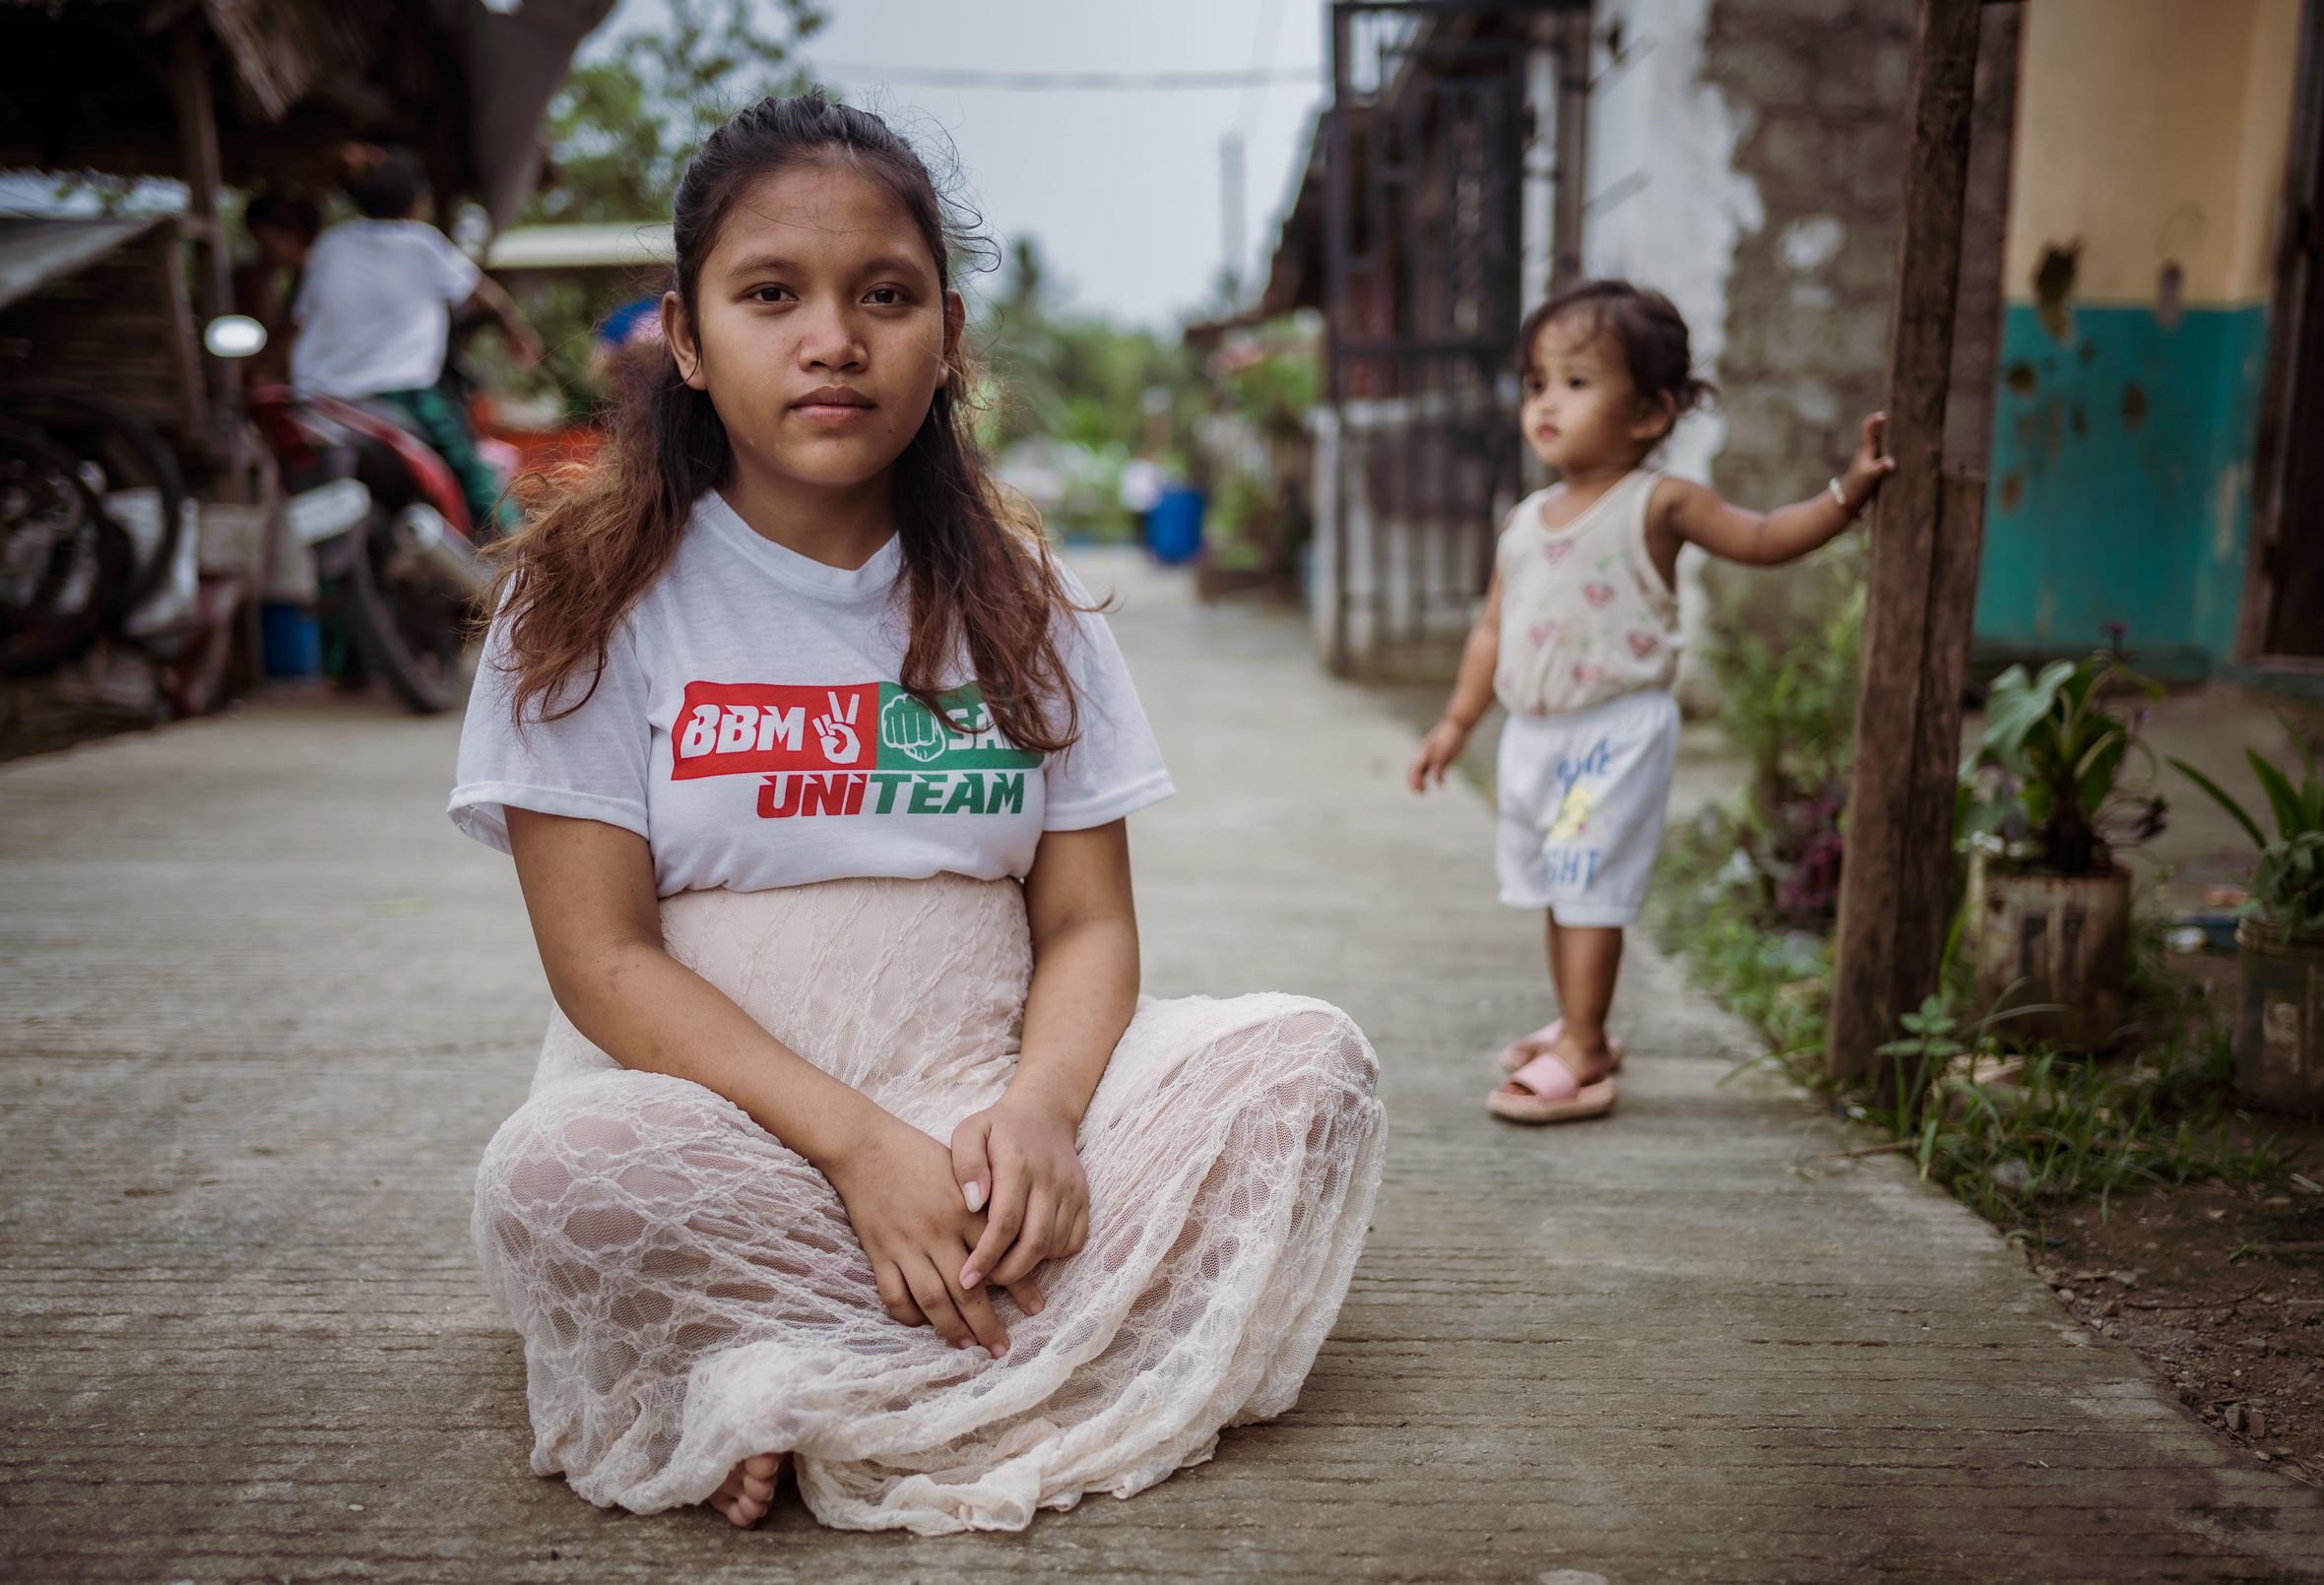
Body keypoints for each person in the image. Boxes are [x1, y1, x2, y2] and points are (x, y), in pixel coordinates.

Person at [448, 94, 1387, 1535]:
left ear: (945, 333)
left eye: (883, 296)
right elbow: (603, 963)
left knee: (1307, 1067)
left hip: (988, 1124)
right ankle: (1000, 1341)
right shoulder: (584, 601)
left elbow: (1083, 921)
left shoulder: (1025, 595)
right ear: (688, 339)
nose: (833, 337)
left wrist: (1043, 1116)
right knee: (560, 1176)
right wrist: (860, 1154)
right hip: (728, 1129)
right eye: (772, 294)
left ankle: (793, 1361)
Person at [1407, 280, 1894, 1124]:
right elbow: (1493, 630)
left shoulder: (1658, 502)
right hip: (1535, 734)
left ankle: (1587, 1045)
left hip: (1613, 735)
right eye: (1535, 383)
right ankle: (1577, 1025)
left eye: (1576, 381)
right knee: (1561, 885)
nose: (1546, 401)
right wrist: (1457, 721)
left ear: (1650, 413)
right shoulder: (1524, 521)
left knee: (1588, 884)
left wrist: (1845, 496)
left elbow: (1764, 535)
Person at [290, 146, 543, 533]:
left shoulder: (330, 245)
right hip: (400, 395)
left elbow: (300, 320)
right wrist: (516, 332)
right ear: (416, 201)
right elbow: (484, 294)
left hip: (319, 398)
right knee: (471, 469)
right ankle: (520, 556)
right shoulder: (421, 243)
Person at [231, 188, 320, 388]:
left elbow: (294, 336)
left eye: (263, 241)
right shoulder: (288, 280)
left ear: (292, 236)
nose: (260, 252)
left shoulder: (318, 279)